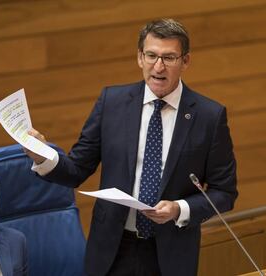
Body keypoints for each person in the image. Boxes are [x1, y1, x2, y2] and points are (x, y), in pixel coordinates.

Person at [26, 18, 237, 276]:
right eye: (151, 56)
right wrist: (43, 156)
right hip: (113, 249)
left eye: (169, 58)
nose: (158, 67)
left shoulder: (209, 116)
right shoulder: (112, 102)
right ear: (140, 57)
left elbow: (224, 192)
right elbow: (77, 168)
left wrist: (179, 209)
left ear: (185, 62)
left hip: (170, 253)